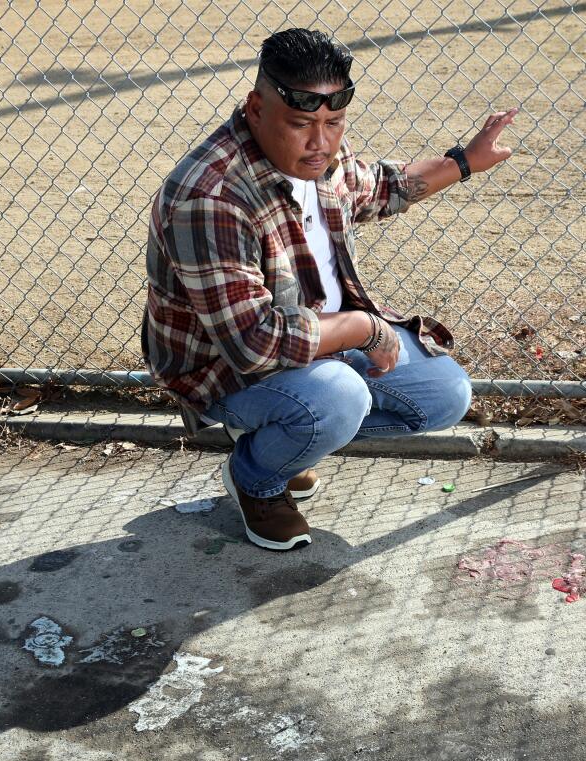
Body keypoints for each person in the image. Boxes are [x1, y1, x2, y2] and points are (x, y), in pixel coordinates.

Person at [142, 28, 517, 550]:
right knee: (336, 400)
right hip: (226, 370)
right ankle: (257, 478)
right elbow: (254, 344)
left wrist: (464, 162)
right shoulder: (212, 198)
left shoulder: (318, 160)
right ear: (255, 108)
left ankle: (284, 440)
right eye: (301, 124)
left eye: (333, 123)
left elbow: (384, 187)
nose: (321, 142)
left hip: (322, 341)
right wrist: (364, 329)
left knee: (444, 395)